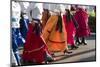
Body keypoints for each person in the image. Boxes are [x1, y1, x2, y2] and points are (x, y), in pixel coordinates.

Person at [12, 1, 25, 65]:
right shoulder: (17, 4)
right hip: (16, 26)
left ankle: (17, 62)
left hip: (13, 26)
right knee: (14, 45)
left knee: (14, 46)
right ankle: (17, 61)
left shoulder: (15, 4)